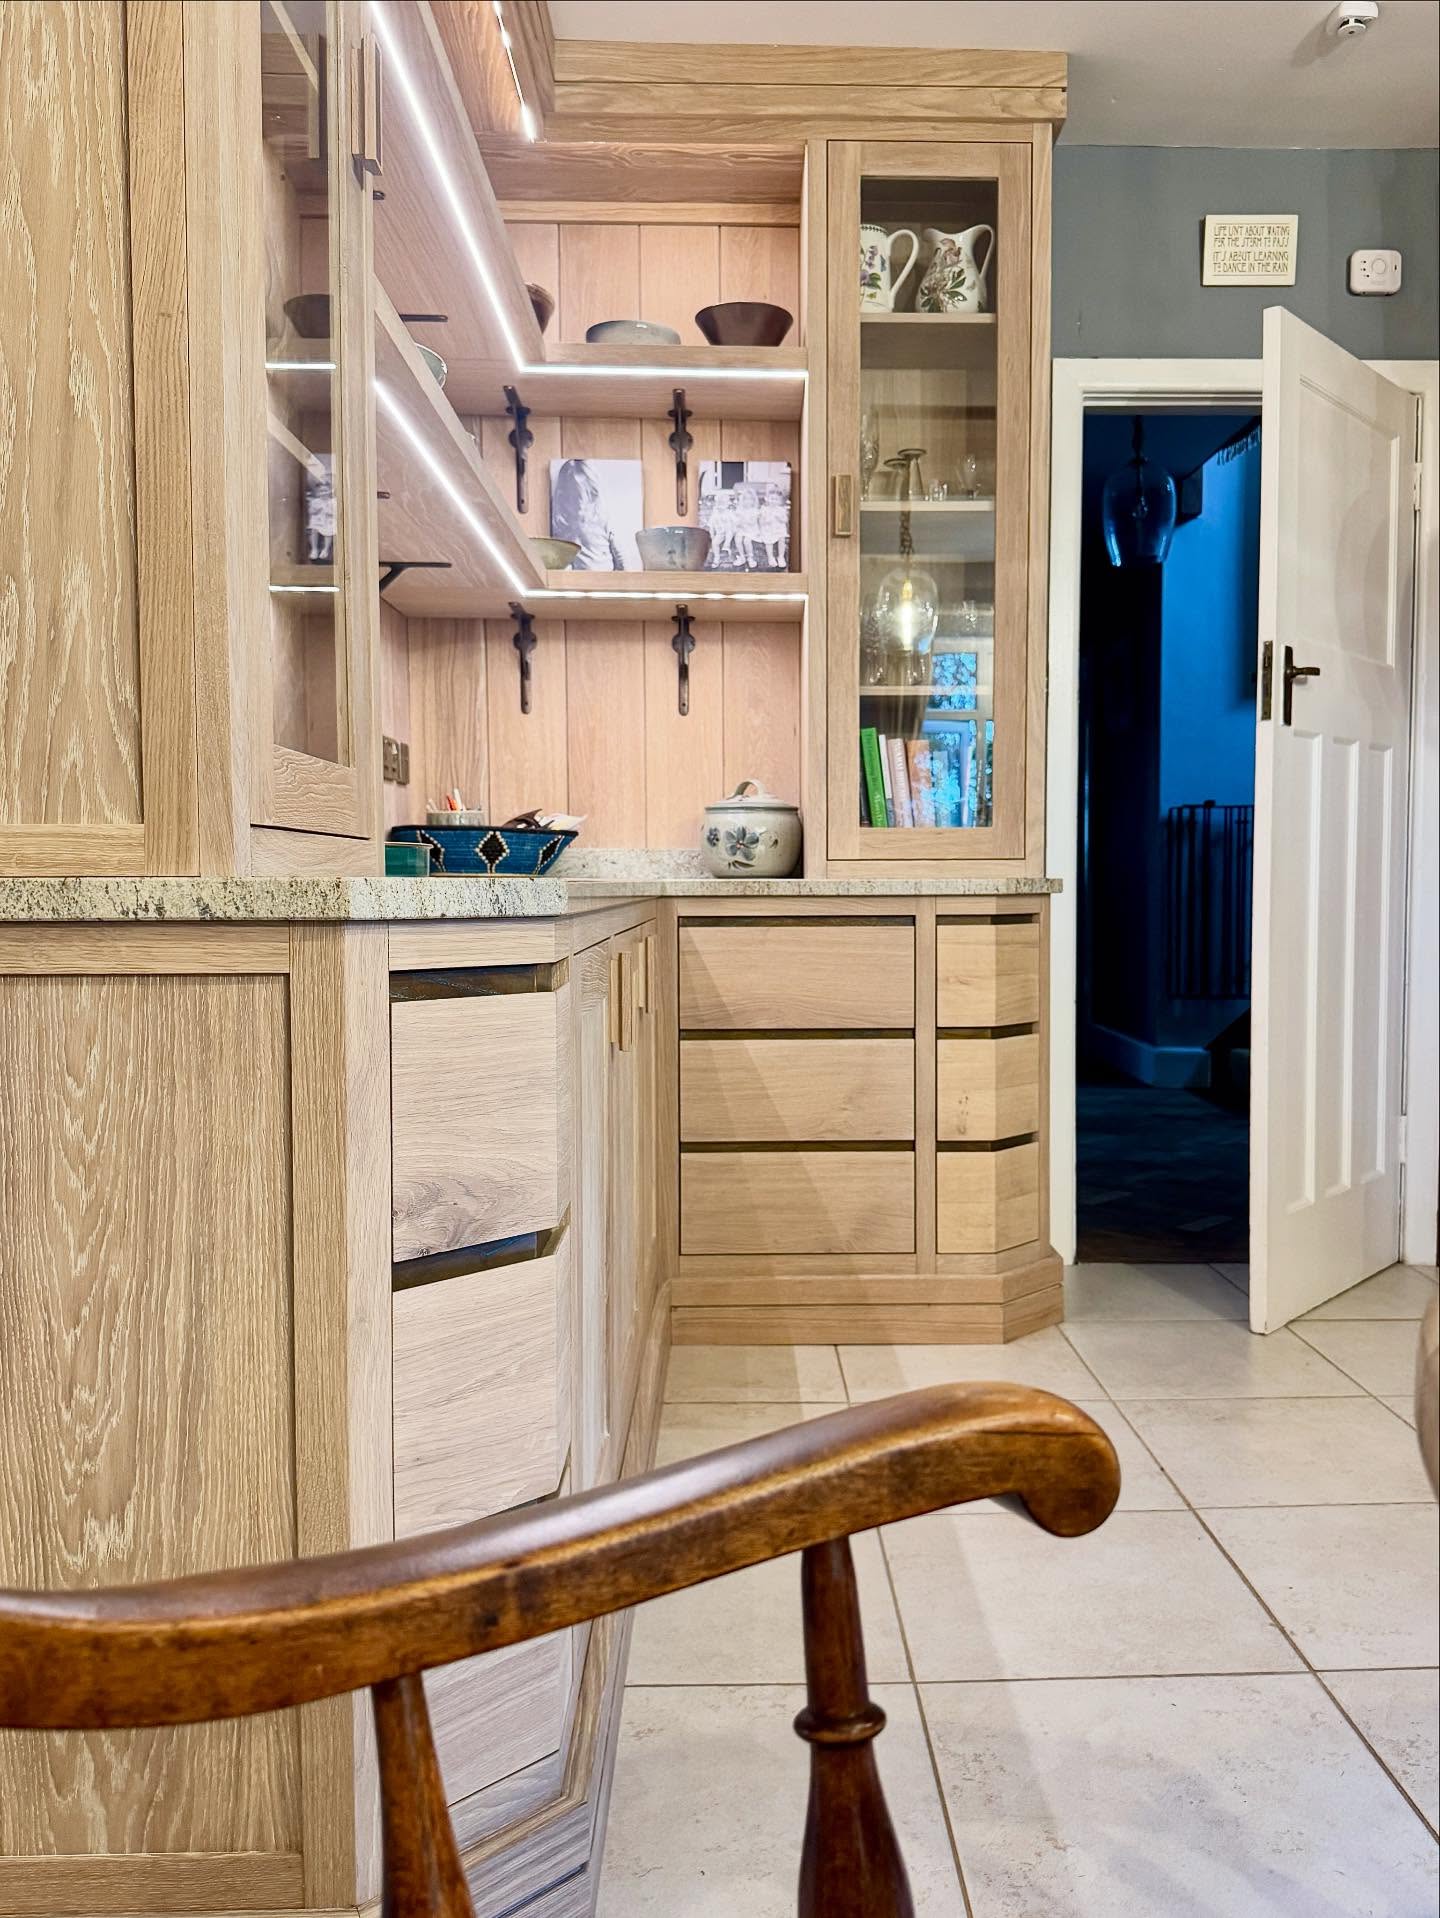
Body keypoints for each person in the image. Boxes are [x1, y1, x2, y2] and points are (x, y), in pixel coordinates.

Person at [551, 460, 626, 570]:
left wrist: (624, 581)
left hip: (606, 579)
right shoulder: (561, 526)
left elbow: (621, 559)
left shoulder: (602, 519)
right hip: (578, 581)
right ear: (564, 498)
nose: (580, 503)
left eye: (586, 496)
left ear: (593, 495)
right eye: (574, 497)